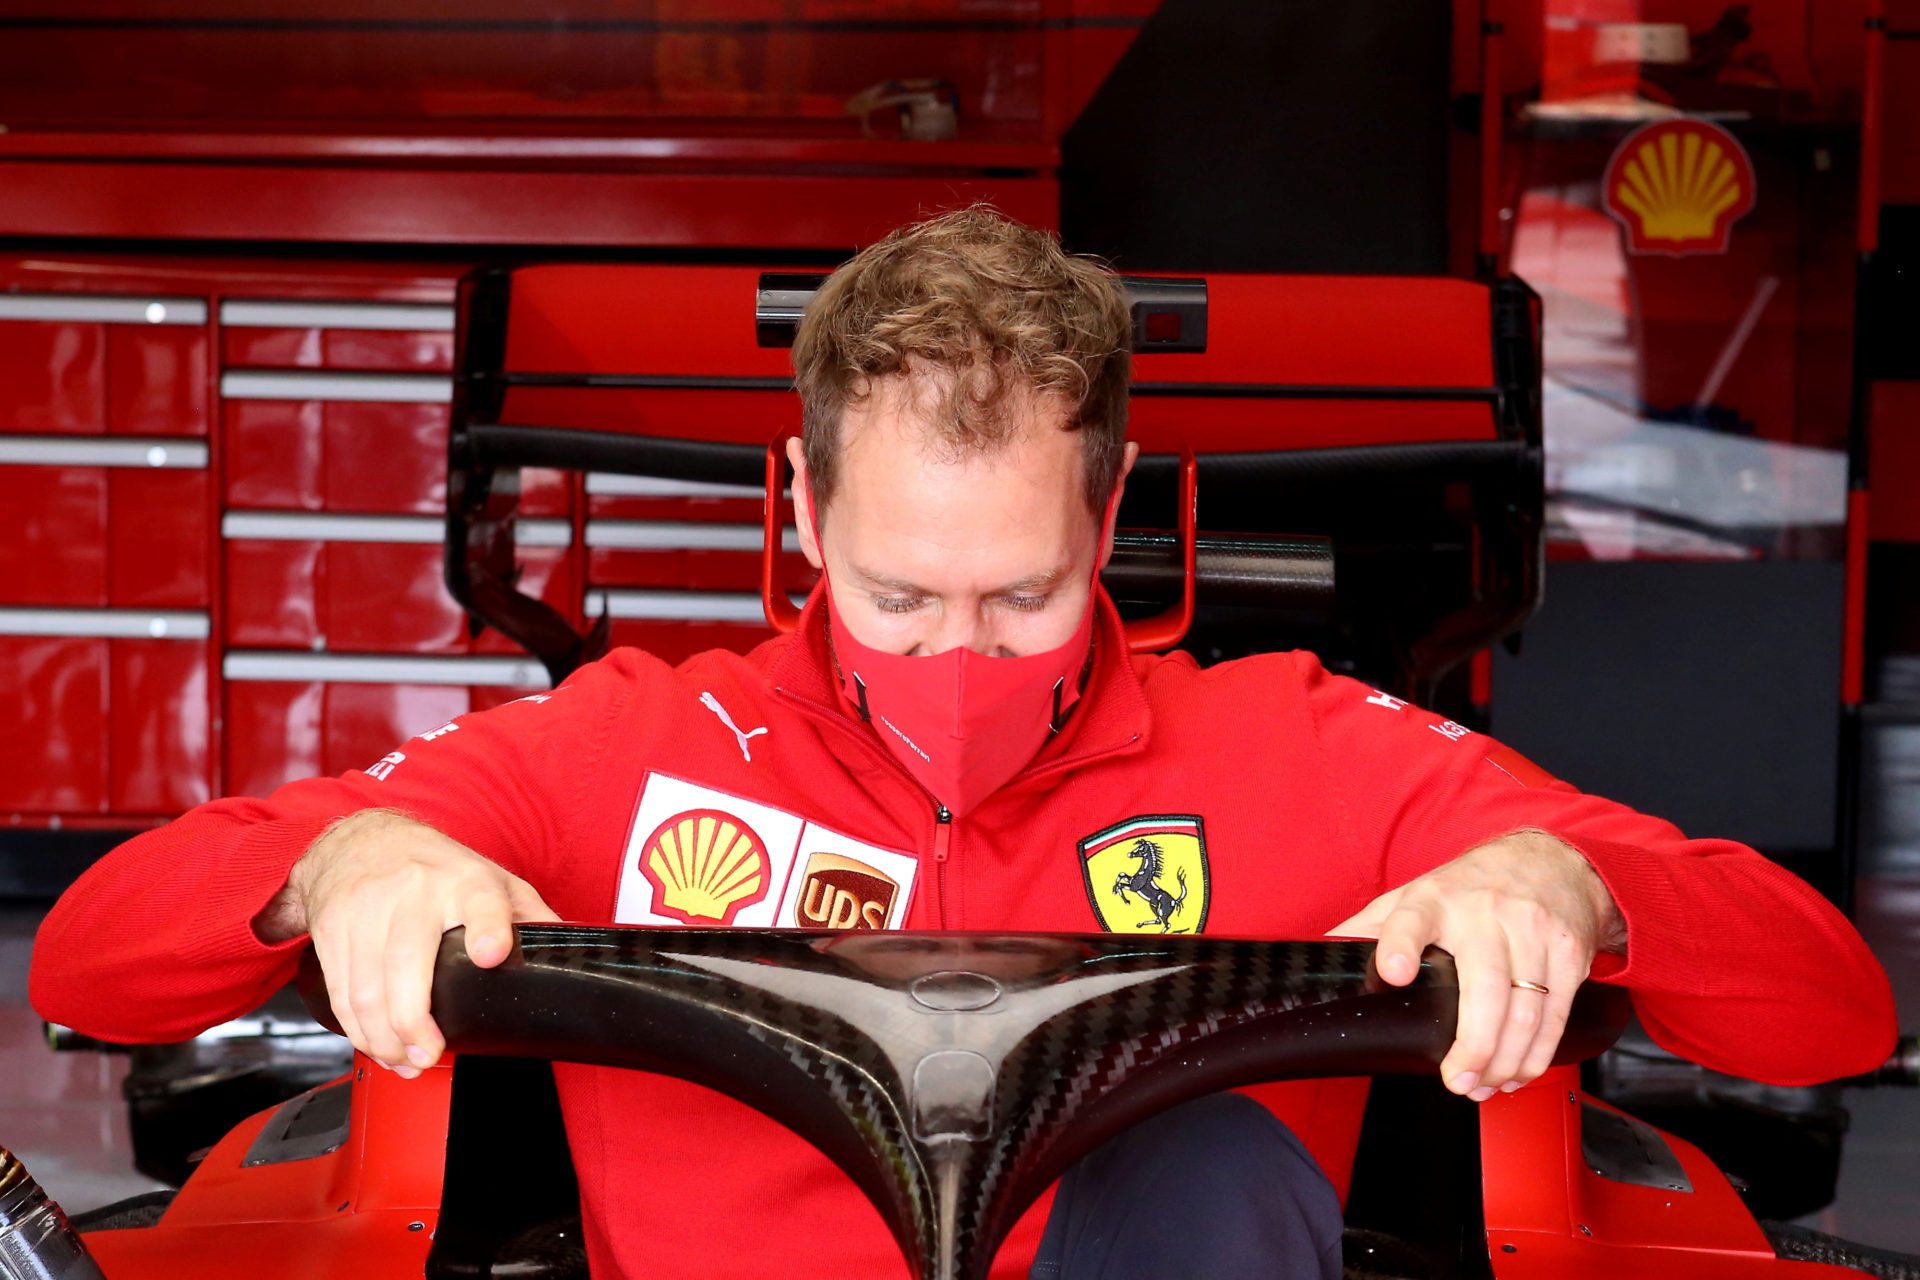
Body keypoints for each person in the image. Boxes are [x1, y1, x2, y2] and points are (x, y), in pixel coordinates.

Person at [31, 208, 1896, 1280]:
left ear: (1108, 526)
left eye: (1018, 597)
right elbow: (100, 961)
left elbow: (1833, 1015)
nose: (956, 654)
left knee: (1211, 1173)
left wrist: (1560, 882)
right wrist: (350, 861)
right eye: (899, 596)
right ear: (802, 509)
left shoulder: (1310, 748)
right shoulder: (620, 750)